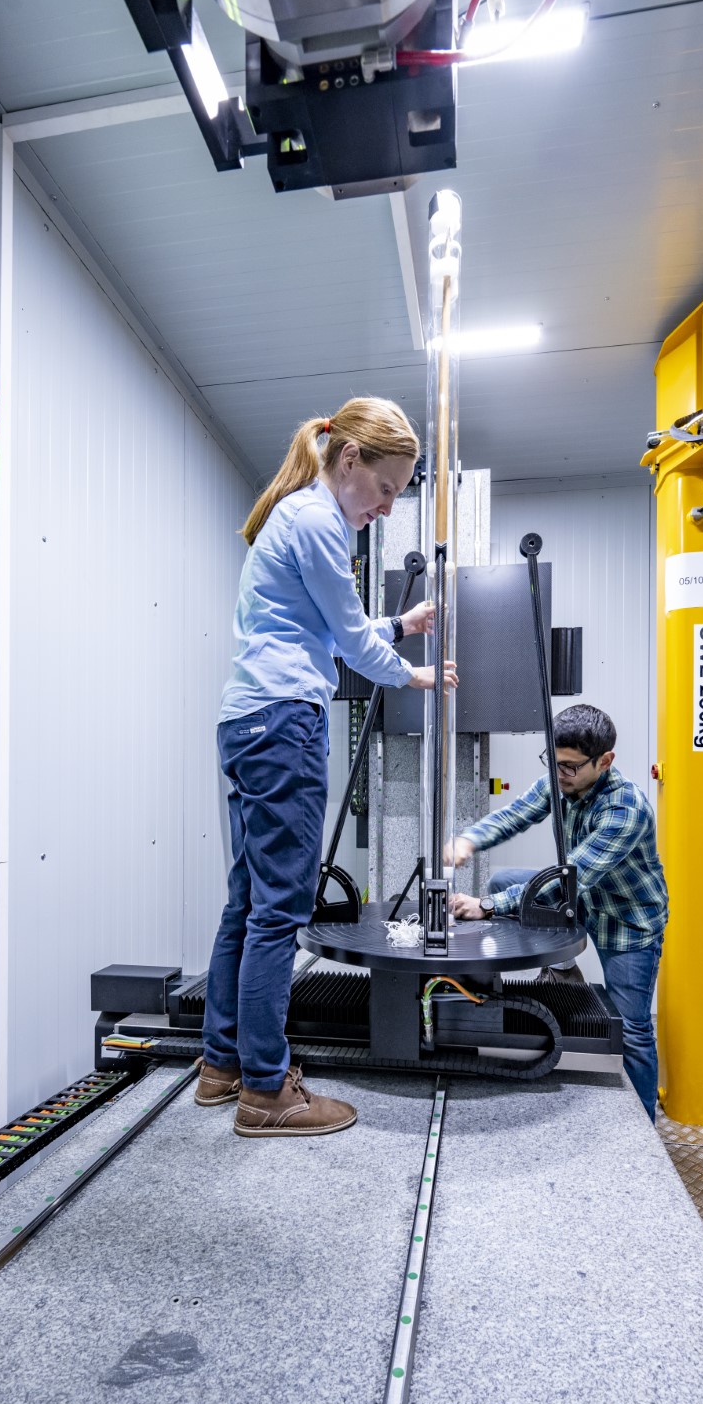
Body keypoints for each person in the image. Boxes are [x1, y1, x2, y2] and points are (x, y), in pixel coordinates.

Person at [196, 398, 457, 1138]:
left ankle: (223, 1066)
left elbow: (322, 623)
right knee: (280, 910)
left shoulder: (301, 518)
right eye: (386, 488)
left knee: (249, 902)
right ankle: (268, 1091)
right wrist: (414, 672)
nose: (388, 504)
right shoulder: (320, 524)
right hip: (284, 723)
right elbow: (349, 642)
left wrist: (400, 627)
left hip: (249, 719)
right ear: (349, 462)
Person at [448, 704, 668, 1121]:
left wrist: (489, 907)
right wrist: (469, 840)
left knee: (632, 1029)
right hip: (581, 898)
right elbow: (516, 815)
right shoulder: (561, 780)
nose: (560, 773)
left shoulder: (626, 809)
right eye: (554, 761)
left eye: (570, 767)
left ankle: (643, 1123)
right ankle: (564, 969)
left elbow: (572, 878)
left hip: (627, 921)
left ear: (605, 761)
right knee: (503, 879)